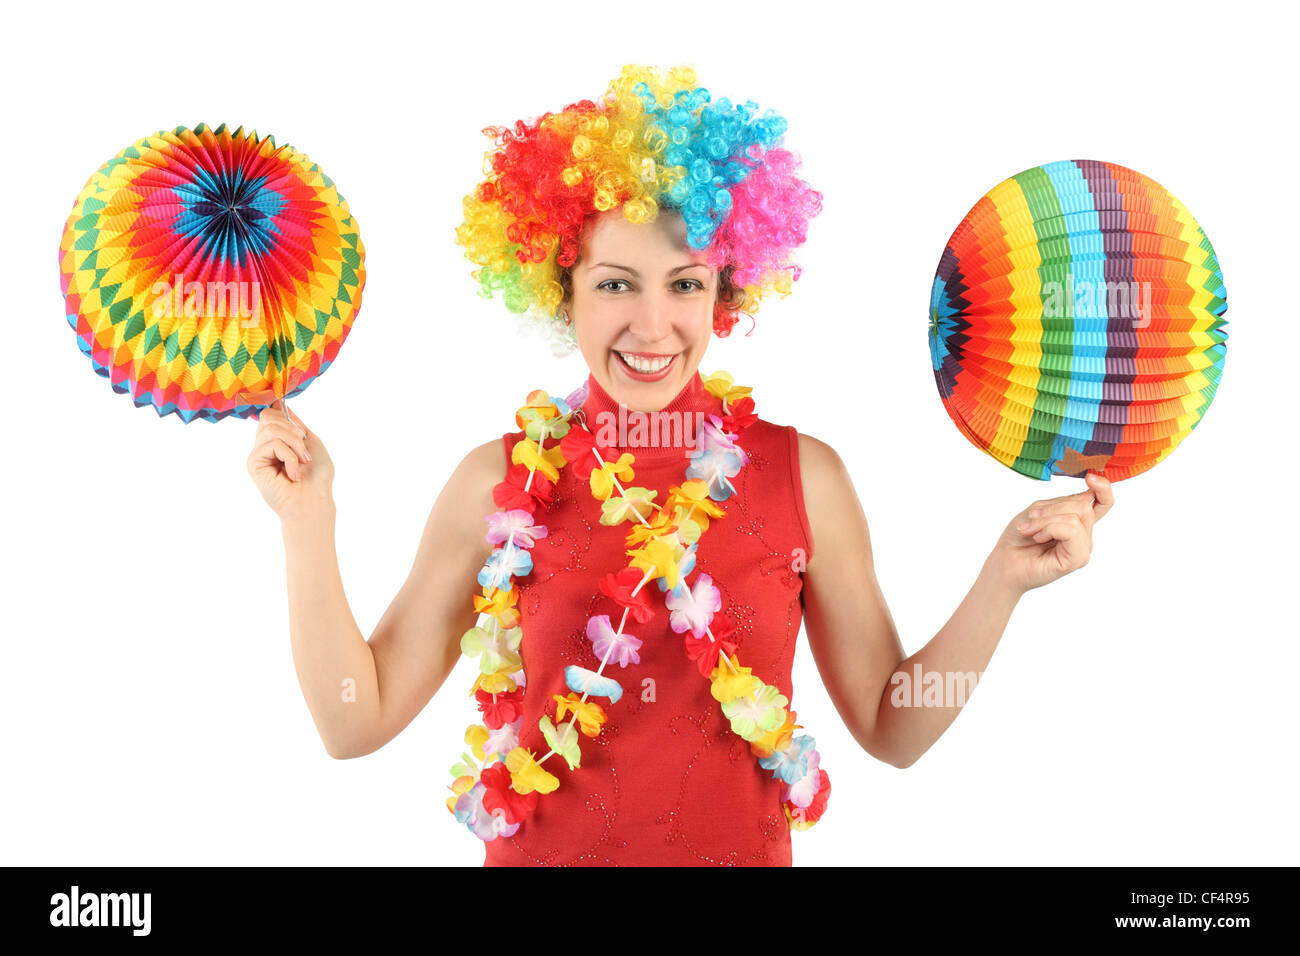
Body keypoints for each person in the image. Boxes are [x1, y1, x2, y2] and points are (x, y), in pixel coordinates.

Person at [246, 65, 1114, 866]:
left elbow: (894, 729)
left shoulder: (803, 476)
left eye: (686, 284)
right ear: (563, 289)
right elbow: (352, 723)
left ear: (726, 291)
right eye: (617, 284)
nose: (654, 326)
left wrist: (1003, 578)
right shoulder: (494, 482)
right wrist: (307, 521)